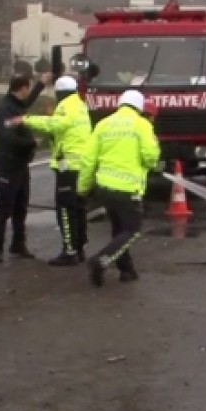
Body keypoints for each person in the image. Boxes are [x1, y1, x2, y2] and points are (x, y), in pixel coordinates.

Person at [78, 89, 160, 287]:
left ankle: (126, 270)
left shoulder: (103, 124)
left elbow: (88, 159)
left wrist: (83, 187)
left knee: (118, 229)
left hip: (104, 188)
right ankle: (101, 260)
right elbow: (150, 157)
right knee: (132, 231)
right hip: (128, 188)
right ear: (139, 106)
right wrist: (153, 157)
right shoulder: (142, 125)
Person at [11, 74, 92, 266]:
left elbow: (56, 125)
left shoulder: (65, 106)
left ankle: (69, 251)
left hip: (67, 166)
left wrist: (26, 120)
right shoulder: (80, 105)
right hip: (81, 165)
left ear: (60, 92)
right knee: (79, 208)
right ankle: (79, 248)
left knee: (65, 209)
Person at [0, 73, 46, 262]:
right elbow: (8, 137)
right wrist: (31, 143)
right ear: (22, 88)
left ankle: (18, 244)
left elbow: (27, 102)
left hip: (21, 165)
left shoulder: (17, 105)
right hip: (8, 165)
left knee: (21, 207)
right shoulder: (6, 109)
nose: (28, 92)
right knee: (5, 207)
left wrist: (40, 85)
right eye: (28, 88)